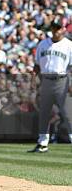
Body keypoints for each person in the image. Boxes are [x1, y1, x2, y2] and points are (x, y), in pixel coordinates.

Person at [28, 20, 72, 153]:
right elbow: (37, 65)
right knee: (44, 113)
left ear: (63, 29)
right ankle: (42, 143)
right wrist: (33, 79)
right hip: (45, 80)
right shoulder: (43, 44)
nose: (56, 30)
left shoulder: (69, 45)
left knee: (68, 113)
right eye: (54, 28)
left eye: (58, 28)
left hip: (62, 80)